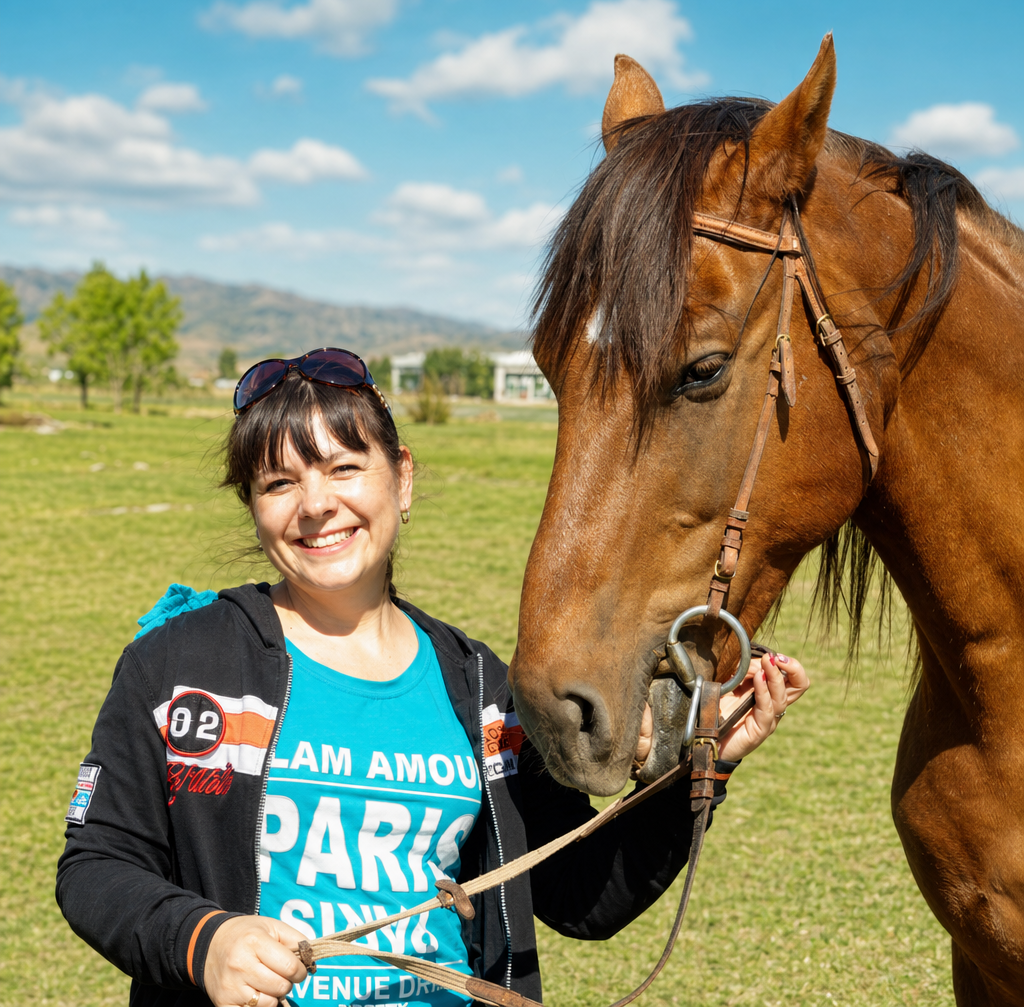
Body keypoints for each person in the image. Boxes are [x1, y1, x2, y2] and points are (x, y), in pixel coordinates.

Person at [56, 348, 809, 1007]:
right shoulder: (179, 663)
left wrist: (700, 770)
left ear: (403, 479)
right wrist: (205, 942)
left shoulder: (481, 690)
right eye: (278, 483)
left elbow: (582, 898)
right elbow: (95, 866)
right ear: (252, 506)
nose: (316, 505)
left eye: (345, 468)